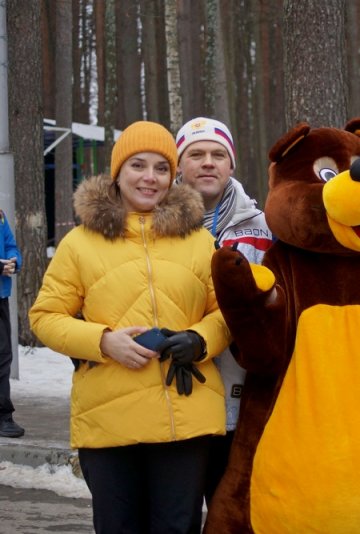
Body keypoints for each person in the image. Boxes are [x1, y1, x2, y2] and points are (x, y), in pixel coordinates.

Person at [29, 120, 231, 534]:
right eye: (138, 165)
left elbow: (227, 313)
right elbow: (45, 317)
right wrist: (103, 342)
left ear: (172, 176)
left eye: (161, 167)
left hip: (185, 418)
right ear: (117, 172)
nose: (149, 177)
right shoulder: (79, 243)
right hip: (109, 418)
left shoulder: (199, 241)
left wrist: (199, 340)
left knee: (177, 527)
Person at [175, 116, 274, 503]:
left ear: (231, 164)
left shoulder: (264, 226)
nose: (208, 163)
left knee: (231, 512)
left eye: (218, 155)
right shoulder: (156, 225)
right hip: (177, 396)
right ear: (179, 165)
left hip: (241, 398)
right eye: (195, 154)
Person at [0, 209, 23, 438]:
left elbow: (10, 245)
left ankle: (3, 417)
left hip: (0, 296)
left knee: (3, 356)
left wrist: (14, 261)